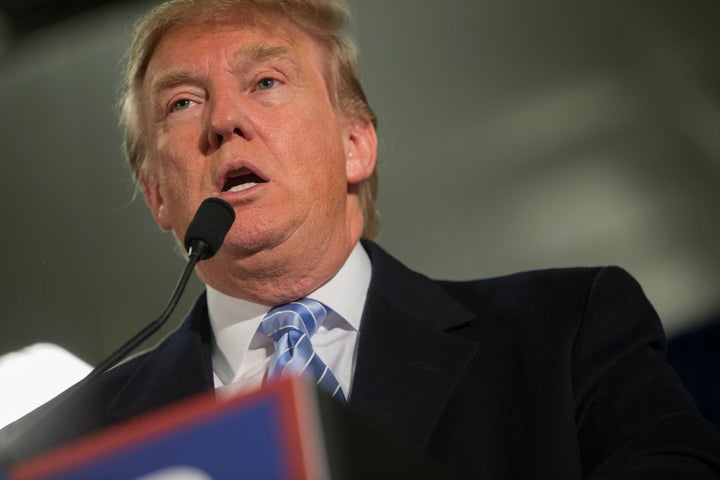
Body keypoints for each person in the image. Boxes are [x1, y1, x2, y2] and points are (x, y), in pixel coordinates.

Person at [2, 0, 720, 478]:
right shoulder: (71, 442)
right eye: (183, 103)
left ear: (355, 144)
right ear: (159, 195)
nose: (223, 120)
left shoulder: (567, 330)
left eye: (266, 82)